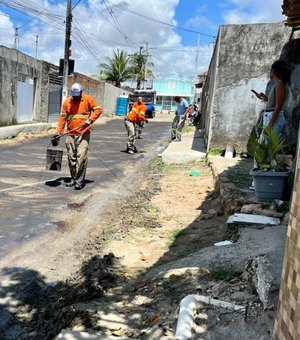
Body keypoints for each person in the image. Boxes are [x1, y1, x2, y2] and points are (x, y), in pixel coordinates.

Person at [54, 83, 102, 190]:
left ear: (81, 92)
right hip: (71, 133)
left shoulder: (88, 99)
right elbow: (62, 118)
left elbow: (98, 110)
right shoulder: (67, 101)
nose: (75, 97)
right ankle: (73, 178)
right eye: (74, 95)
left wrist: (89, 120)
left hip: (83, 133)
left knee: (81, 156)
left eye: (77, 95)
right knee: (71, 157)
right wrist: (58, 132)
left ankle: (80, 181)